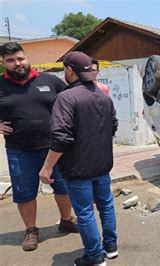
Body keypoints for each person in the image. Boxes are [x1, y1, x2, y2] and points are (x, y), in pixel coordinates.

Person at [39, 51, 119, 265]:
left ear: (69, 70)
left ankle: (94, 256)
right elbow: (113, 126)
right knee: (106, 205)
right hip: (102, 164)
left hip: (78, 167)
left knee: (85, 213)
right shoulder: (103, 96)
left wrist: (46, 168)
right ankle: (110, 247)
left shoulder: (65, 98)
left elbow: (60, 137)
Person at [0, 42, 77, 251]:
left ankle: (66, 220)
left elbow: (73, 99)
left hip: (55, 148)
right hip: (19, 150)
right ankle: (31, 230)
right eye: (11, 60)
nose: (17, 63)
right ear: (3, 62)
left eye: (20, 58)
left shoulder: (50, 81)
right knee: (24, 193)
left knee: (63, 187)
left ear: (27, 57)